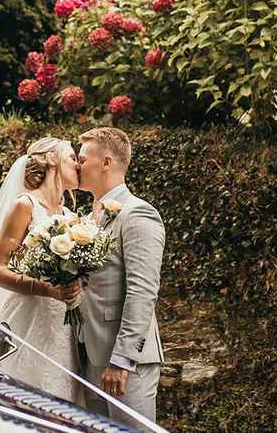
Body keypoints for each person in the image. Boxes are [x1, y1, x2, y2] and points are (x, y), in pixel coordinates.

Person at [0, 137, 82, 401]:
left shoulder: (70, 216)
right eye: (72, 157)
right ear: (52, 162)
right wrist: (43, 288)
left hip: (64, 325)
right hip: (30, 317)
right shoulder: (25, 206)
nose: (78, 165)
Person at [76, 127, 165, 432]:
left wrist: (122, 361)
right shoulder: (86, 221)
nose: (76, 165)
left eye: (82, 159)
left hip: (125, 362)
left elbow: (143, 292)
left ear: (106, 162)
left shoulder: (138, 214)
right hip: (89, 354)